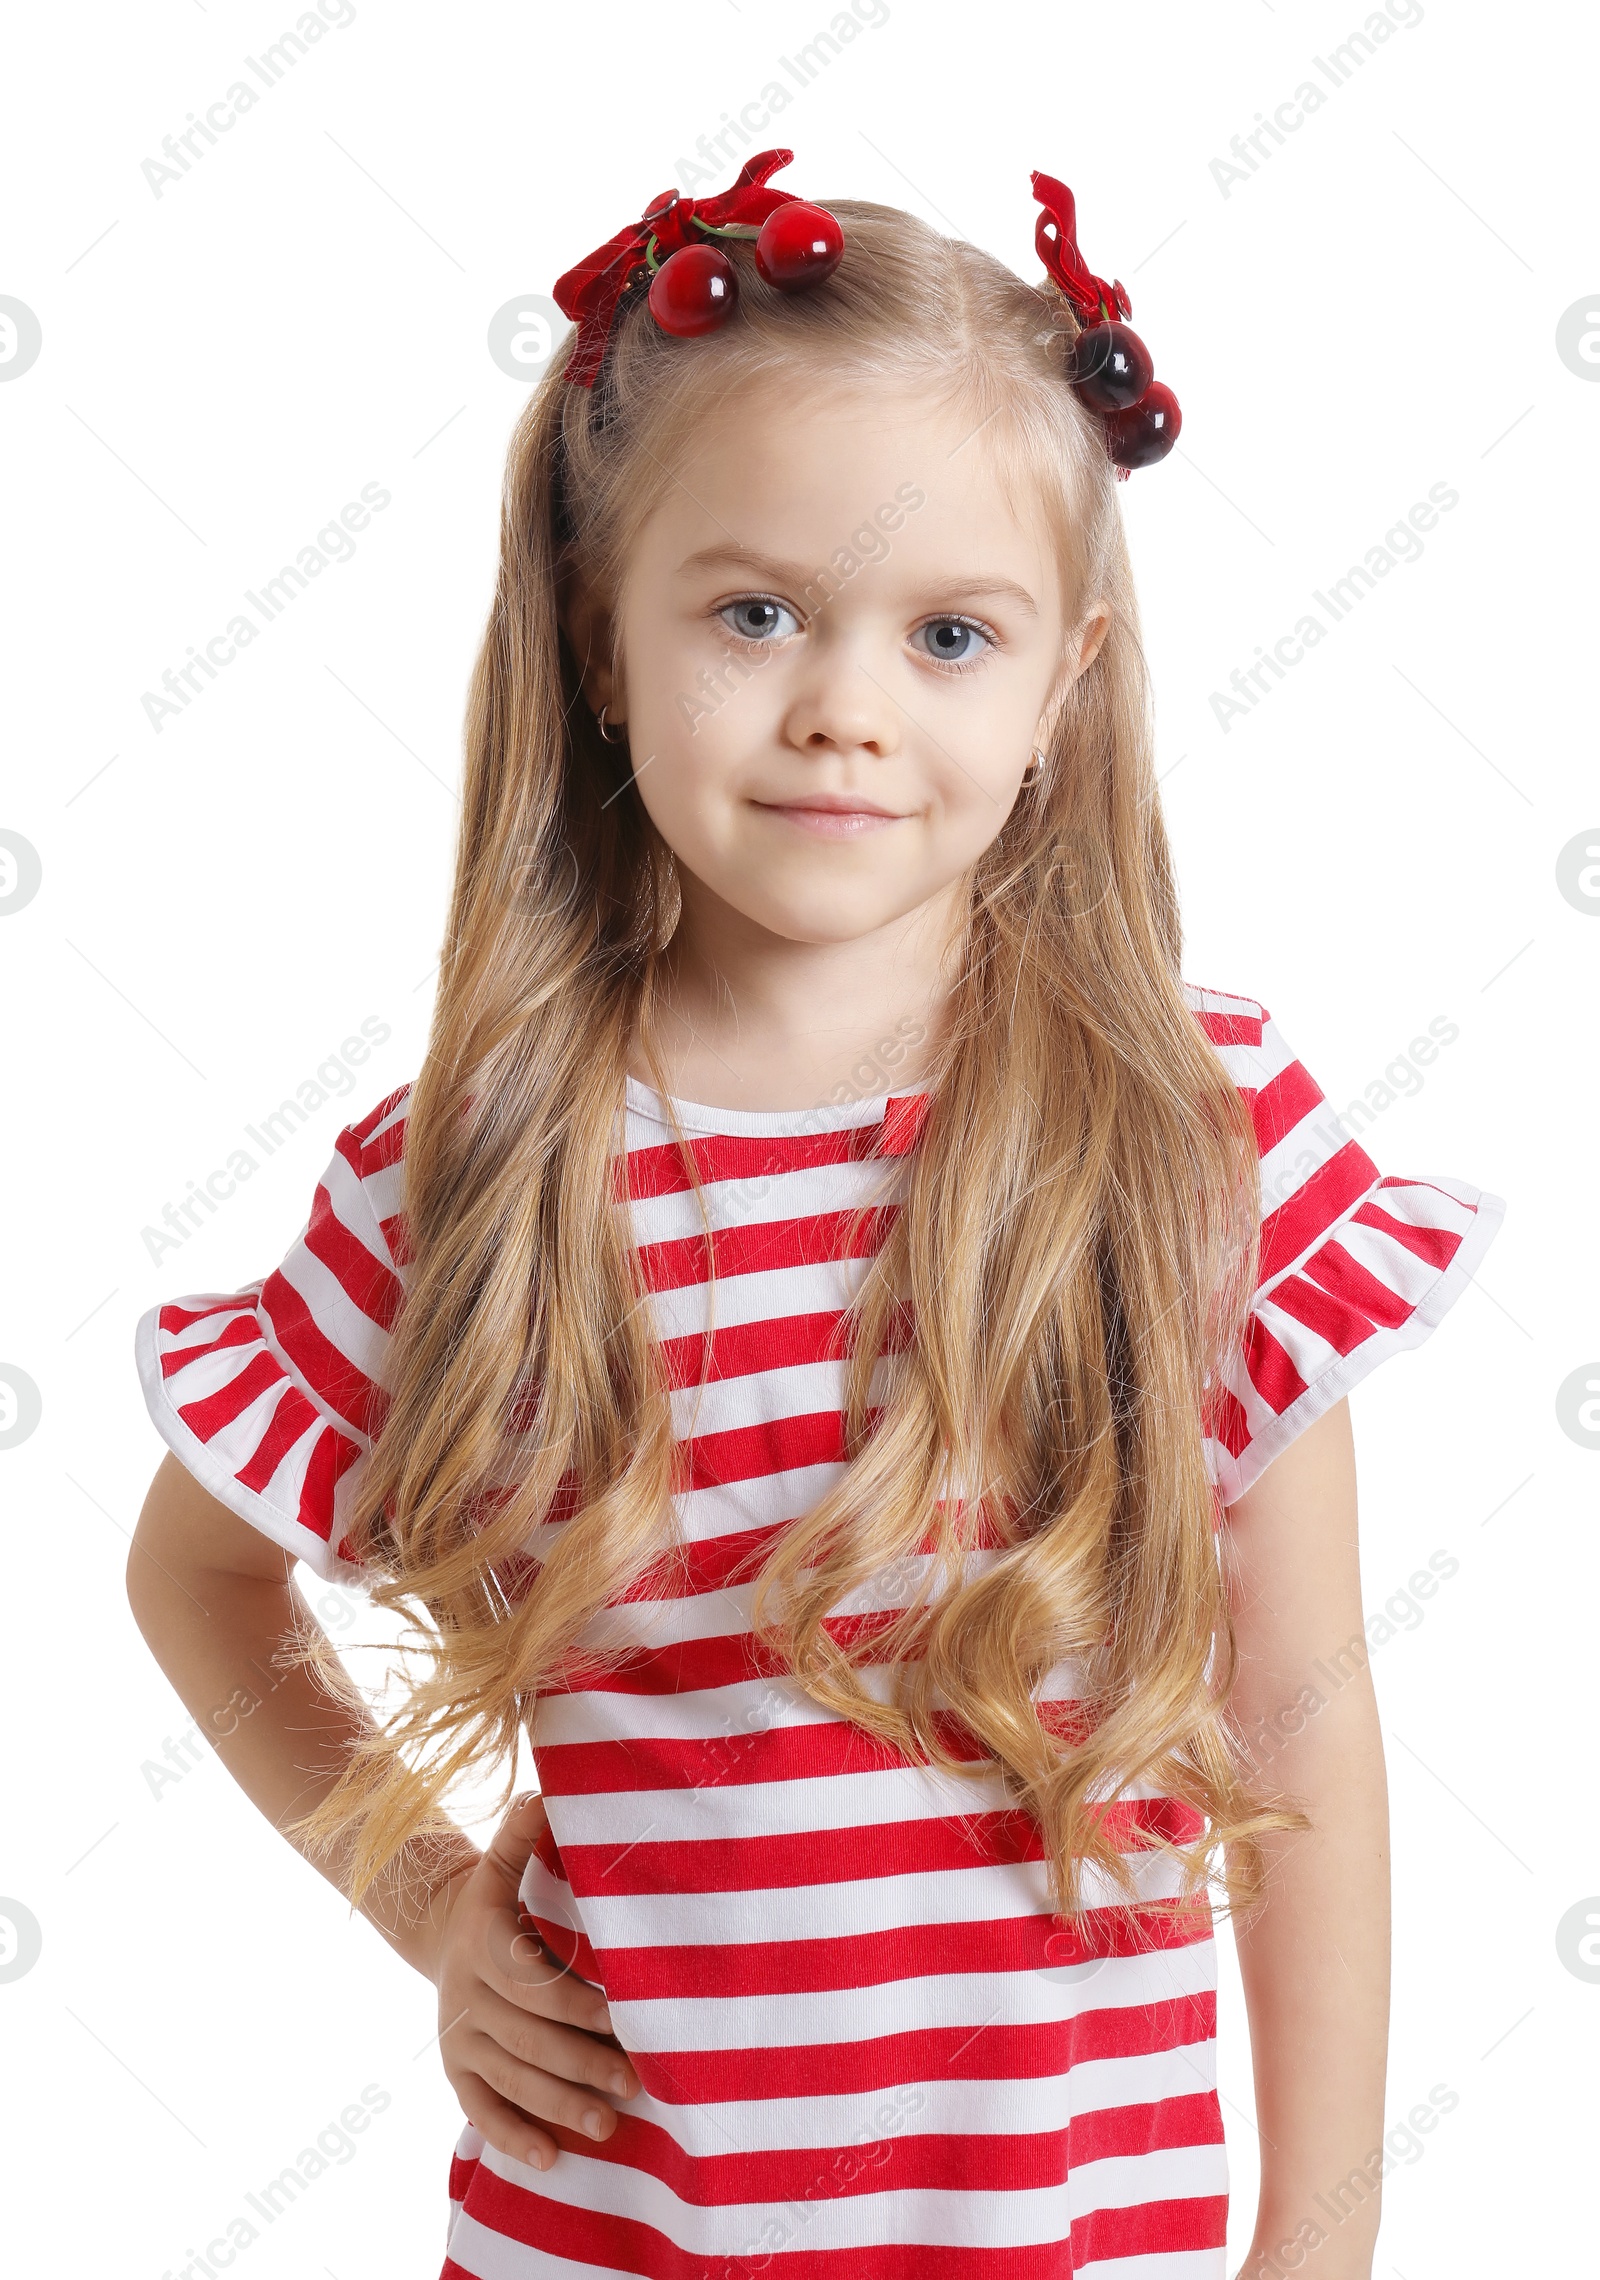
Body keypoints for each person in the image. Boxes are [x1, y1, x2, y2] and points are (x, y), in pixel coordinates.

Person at [126, 153, 1504, 2280]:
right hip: (599, 2238)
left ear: (1061, 687)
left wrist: (1316, 2244)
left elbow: (1298, 1708)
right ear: (599, 638)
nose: (846, 703)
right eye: (752, 613)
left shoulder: (1184, 1136)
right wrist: (427, 1910)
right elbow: (199, 1578)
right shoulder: (468, 1175)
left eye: (948, 634)